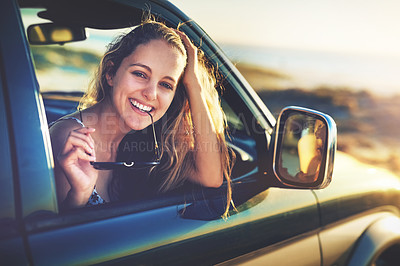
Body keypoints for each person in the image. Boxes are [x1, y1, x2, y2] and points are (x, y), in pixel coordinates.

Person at [49, 19, 234, 217]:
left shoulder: (147, 140)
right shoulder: (68, 139)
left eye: (166, 85)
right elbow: (54, 242)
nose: (151, 93)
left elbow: (211, 178)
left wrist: (193, 85)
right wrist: (79, 195)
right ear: (111, 73)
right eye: (140, 74)